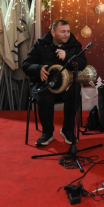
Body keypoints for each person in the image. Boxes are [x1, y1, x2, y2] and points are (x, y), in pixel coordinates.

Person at [22, 19, 87, 147]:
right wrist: (38, 69)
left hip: (66, 86)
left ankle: (67, 130)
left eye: (68, 31)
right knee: (44, 95)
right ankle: (47, 133)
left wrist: (67, 57)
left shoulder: (74, 45)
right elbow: (26, 64)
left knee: (74, 91)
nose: (66, 35)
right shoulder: (40, 44)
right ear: (53, 33)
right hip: (45, 84)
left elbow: (83, 64)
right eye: (62, 32)